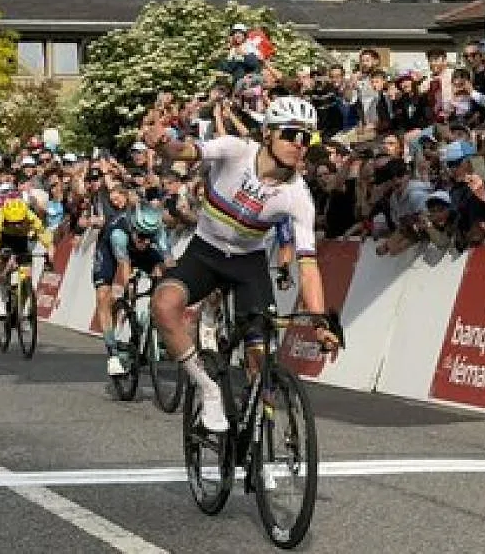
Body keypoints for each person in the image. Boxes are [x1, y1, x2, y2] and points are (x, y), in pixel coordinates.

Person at [140, 95, 339, 433]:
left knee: (261, 362)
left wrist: (320, 319)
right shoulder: (236, 150)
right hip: (205, 251)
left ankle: (260, 447)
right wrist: (163, 144)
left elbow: (308, 265)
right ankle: (208, 388)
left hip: (249, 264)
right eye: (291, 134)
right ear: (267, 133)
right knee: (163, 305)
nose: (299, 145)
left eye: (307, 138)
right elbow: (186, 151)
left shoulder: (298, 196)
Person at [98, 195, 171, 376]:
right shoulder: (118, 234)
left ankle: (152, 329)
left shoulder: (157, 230)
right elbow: (124, 266)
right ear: (133, 228)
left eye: (149, 237)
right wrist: (127, 287)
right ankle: (113, 352)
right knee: (103, 294)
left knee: (165, 275)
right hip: (109, 249)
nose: (145, 240)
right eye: (141, 236)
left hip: (138, 251)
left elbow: (169, 261)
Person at [0, 196, 54, 319]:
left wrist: (50, 254)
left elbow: (48, 241)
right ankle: (1, 301)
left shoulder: (32, 218)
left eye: (20, 222)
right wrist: (0, 265)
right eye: (13, 223)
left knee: (26, 273)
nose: (17, 225)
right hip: (5, 239)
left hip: (21, 240)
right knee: (5, 264)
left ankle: (20, 308)